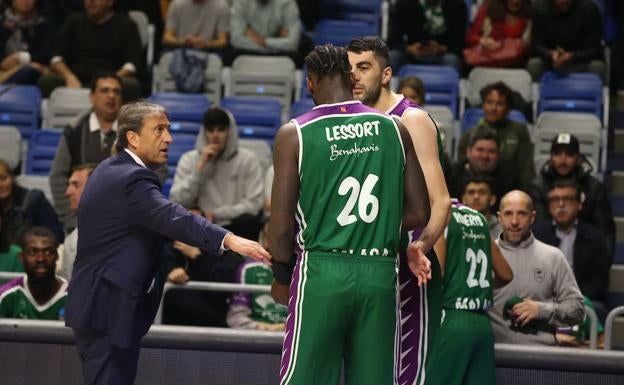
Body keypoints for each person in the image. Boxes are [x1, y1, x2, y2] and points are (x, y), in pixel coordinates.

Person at [65, 101, 271, 385]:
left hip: (104, 304)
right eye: (159, 130)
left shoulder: (110, 168)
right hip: (108, 307)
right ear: (133, 138)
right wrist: (229, 239)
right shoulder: (130, 179)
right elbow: (175, 217)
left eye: (169, 129)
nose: (169, 138)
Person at [269, 44, 431, 385]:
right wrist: (376, 224)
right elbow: (420, 212)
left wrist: (282, 278)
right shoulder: (395, 128)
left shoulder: (295, 133)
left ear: (310, 83)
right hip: (380, 273)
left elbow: (281, 228)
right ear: (350, 76)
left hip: (322, 270)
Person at [347, 36, 451, 385]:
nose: (355, 77)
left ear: (387, 73)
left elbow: (440, 202)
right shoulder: (350, 120)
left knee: (406, 374)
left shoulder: (412, 119)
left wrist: (421, 245)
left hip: (406, 256)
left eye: (364, 67)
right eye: (349, 70)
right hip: (363, 259)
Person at [428, 199, 512, 385]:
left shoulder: (441, 215)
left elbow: (438, 272)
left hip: (451, 318)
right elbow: (506, 274)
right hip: (482, 325)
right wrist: (474, 288)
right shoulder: (479, 219)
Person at [489, 190, 584, 345]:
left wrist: (541, 310)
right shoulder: (484, 255)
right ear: (499, 217)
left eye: (521, 214)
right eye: (508, 214)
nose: (514, 221)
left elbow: (577, 309)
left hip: (540, 358)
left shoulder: (553, 257)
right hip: (492, 355)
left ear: (532, 217)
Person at [170, 107, 265, 240]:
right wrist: (199, 170)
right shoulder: (189, 159)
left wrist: (216, 214)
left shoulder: (248, 159)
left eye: (221, 130)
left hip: (235, 227)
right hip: (202, 226)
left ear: (229, 132)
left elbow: (254, 205)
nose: (215, 135)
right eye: (210, 130)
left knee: (249, 222)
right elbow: (176, 200)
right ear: (204, 132)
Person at [49, 73, 122, 229]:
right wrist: (70, 220)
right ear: (92, 97)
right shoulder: (74, 130)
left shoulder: (134, 132)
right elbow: (57, 176)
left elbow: (156, 172)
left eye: (117, 92)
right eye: (105, 91)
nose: (111, 96)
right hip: (79, 218)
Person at [528, 132, 615, 264]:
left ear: (578, 158)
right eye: (558, 154)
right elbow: (537, 232)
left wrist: (602, 267)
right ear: (551, 157)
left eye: (569, 154)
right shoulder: (537, 187)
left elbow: (605, 232)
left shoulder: (594, 187)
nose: (563, 160)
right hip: (544, 260)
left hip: (585, 261)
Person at [532, 180, 610, 320]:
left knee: (597, 309)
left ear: (579, 205)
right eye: (555, 200)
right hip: (545, 297)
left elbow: (599, 281)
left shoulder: (595, 237)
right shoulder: (536, 235)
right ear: (549, 207)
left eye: (567, 199)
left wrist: (575, 299)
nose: (561, 205)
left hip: (582, 298)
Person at [37, 0, 143, 100]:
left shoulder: (127, 25)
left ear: (110, 1)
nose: (91, 1)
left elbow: (133, 63)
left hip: (112, 78)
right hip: (76, 79)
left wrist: (113, 80)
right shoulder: (73, 22)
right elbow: (56, 58)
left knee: (131, 85)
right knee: (46, 81)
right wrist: (69, 76)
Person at [457, 81, 534, 189]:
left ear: (508, 108)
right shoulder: (469, 135)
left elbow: (526, 169)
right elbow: (462, 169)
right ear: (483, 105)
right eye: (489, 102)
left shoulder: (519, 131)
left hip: (510, 186)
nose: (493, 108)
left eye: (500, 103)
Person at [162, 239, 243, 327]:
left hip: (211, 327)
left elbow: (221, 293)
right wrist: (168, 278)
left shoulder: (225, 254)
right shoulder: (164, 251)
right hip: (169, 325)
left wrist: (197, 257)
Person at [527, 0, 605, 81]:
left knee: (597, 66)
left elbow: (595, 48)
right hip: (551, 63)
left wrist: (572, 56)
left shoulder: (589, 9)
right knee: (534, 64)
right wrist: (550, 54)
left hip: (580, 62)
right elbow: (536, 45)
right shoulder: (540, 9)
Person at [0, 226, 67, 320]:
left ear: (57, 256)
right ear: (21, 257)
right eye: (32, 252)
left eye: (48, 252)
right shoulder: (6, 296)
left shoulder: (75, 297)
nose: (41, 259)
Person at [389, 0, 467, 72]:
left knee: (451, 60)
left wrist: (441, 49)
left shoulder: (457, 5)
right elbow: (393, 41)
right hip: (412, 54)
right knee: (394, 57)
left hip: (443, 55)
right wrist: (409, 49)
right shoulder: (405, 3)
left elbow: (459, 43)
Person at [0, 159, 63, 244]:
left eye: (3, 178)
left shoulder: (34, 200)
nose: (0, 185)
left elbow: (56, 236)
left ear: (12, 177)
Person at [448, 128, 519, 203]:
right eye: (480, 150)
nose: (485, 156)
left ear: (499, 155)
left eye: (491, 151)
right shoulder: (452, 175)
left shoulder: (510, 180)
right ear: (468, 152)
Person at [229, 0, 302, 64]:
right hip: (250, 53)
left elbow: (292, 44)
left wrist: (263, 41)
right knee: (232, 55)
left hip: (281, 56)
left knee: (297, 55)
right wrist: (277, 42)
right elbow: (236, 40)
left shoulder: (287, 2)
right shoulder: (240, 2)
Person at [464, 0, 532, 67]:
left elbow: (533, 48)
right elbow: (470, 37)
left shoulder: (530, 15)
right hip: (487, 63)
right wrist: (482, 40)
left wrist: (522, 46)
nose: (515, 1)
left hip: (517, 65)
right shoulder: (488, 9)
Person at [0, 0, 55, 84]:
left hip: (34, 70)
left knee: (28, 72)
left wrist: (23, 58)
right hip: (4, 71)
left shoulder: (43, 24)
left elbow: (47, 54)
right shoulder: (2, 24)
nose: (26, 1)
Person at [226, 257, 287, 331]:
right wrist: (268, 328)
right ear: (267, 244)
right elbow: (235, 318)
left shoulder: (301, 271)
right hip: (255, 336)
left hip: (294, 335)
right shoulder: (249, 269)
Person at [58, 163, 95, 280]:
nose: (68, 192)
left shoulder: (121, 230)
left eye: (76, 185)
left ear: (95, 187)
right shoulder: (71, 240)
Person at [162, 0, 229, 52]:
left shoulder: (221, 5)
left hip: (209, 52)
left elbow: (222, 41)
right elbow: (167, 38)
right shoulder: (177, 4)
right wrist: (184, 41)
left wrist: (206, 44)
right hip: (180, 50)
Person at [461, 175, 502, 240]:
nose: (476, 197)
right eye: (471, 192)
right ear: (463, 199)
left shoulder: (503, 229)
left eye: (482, 192)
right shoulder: (454, 227)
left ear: (492, 199)